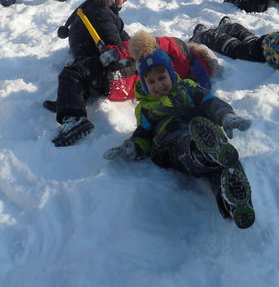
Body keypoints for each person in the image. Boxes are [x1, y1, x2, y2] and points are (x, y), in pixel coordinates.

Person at [44, 0, 218, 146]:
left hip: (110, 66)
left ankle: (72, 113)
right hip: (107, 62)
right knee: (80, 73)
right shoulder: (101, 12)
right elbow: (119, 43)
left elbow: (119, 45)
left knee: (73, 73)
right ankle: (71, 107)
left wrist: (124, 48)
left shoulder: (98, 7)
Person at [103, 32, 255, 229]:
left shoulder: (187, 87)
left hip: (203, 129)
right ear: (144, 83)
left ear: (171, 73)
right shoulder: (147, 108)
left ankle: (236, 203)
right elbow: (143, 134)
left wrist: (225, 116)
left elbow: (208, 101)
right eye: (151, 82)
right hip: (172, 144)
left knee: (226, 159)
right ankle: (203, 150)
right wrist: (131, 146)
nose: (158, 85)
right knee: (189, 144)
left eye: (162, 77)